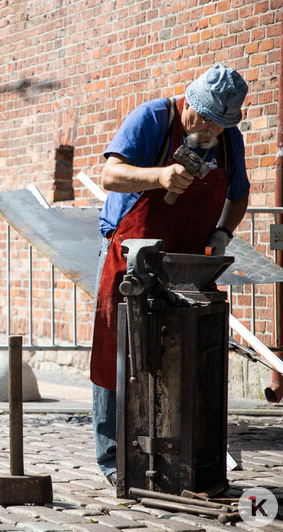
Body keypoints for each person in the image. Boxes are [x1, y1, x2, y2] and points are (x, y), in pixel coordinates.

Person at [91, 64, 250, 485]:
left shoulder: (229, 141)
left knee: (186, 353)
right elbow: (109, 174)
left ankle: (182, 450)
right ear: (191, 105)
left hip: (186, 258)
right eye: (207, 120)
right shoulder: (153, 119)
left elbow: (240, 194)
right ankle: (112, 458)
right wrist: (159, 176)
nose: (212, 130)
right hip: (132, 252)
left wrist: (222, 233)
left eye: (222, 123)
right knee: (117, 351)